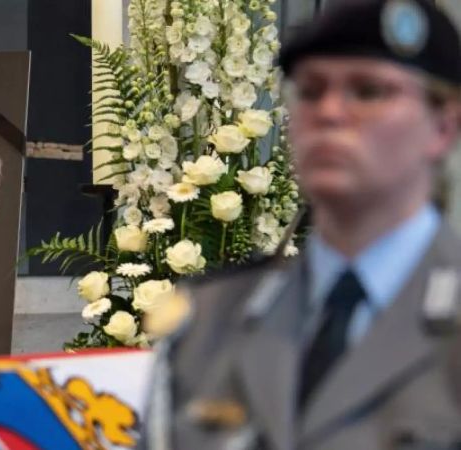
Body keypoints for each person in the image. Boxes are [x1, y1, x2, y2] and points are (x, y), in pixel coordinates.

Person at [141, 0, 461, 448]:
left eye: (368, 91)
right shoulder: (209, 320)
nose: (329, 113)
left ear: (443, 127)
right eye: (310, 92)